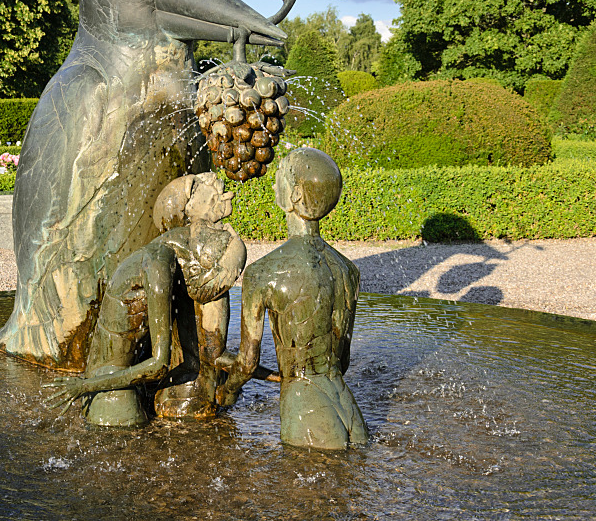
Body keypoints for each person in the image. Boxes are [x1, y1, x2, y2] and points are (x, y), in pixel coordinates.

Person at [45, 173, 246, 426]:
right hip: (111, 391)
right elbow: (159, 365)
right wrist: (84, 386)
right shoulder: (159, 265)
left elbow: (209, 351)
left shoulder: (172, 268)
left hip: (127, 384)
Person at [215, 147, 368, 449]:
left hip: (305, 408)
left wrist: (226, 392)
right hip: (348, 407)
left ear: (295, 195)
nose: (274, 185)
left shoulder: (263, 272)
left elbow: (247, 363)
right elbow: (343, 360)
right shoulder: (348, 270)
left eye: (280, 178)